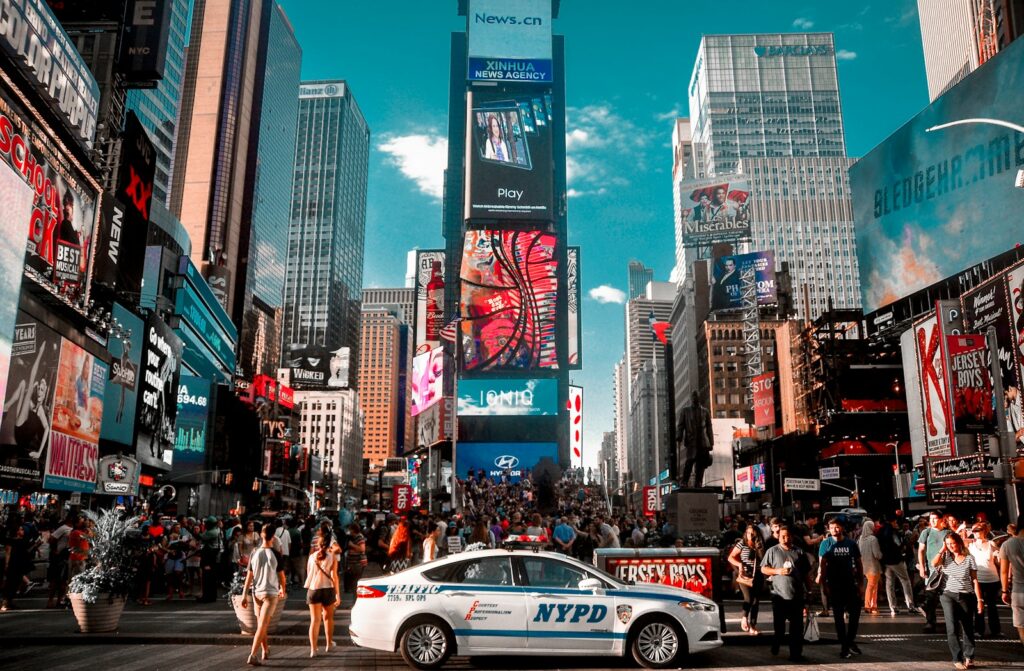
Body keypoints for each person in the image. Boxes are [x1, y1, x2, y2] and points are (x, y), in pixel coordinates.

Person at [761, 526, 812, 662]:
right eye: (783, 536)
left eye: (788, 535)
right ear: (778, 536)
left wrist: (809, 590)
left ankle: (795, 653)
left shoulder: (799, 552)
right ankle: (777, 642)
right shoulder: (772, 551)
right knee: (780, 628)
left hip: (796, 596)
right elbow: (764, 569)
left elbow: (806, 574)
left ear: (792, 536)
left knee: (796, 628)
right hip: (779, 595)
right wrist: (778, 571)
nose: (785, 538)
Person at [934, 531, 984, 669]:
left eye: (953, 543)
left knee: (967, 626)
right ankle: (957, 658)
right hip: (947, 595)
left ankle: (969, 656)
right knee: (952, 627)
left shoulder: (969, 558)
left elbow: (974, 580)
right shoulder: (945, 557)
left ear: (959, 543)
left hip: (966, 595)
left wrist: (980, 599)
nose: (950, 546)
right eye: (948, 544)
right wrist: (942, 549)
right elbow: (934, 563)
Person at [240, 524, 286, 666]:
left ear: (261, 535)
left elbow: (249, 575)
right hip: (270, 593)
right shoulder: (276, 554)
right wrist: (283, 588)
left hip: (256, 592)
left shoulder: (254, 552)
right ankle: (253, 654)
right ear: (273, 537)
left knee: (261, 624)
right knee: (262, 625)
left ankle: (265, 650)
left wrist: (243, 594)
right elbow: (282, 576)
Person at [819, 518, 863, 658]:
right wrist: (824, 585)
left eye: (837, 527)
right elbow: (822, 565)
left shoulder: (851, 543)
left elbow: (859, 563)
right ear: (828, 529)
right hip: (834, 584)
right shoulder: (825, 544)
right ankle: (844, 646)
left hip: (850, 583)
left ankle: (849, 641)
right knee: (838, 617)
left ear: (842, 528)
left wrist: (861, 584)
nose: (834, 530)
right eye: (832, 528)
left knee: (855, 614)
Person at [305, 524, 340, 657]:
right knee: (328, 618)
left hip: (314, 589)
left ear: (318, 545)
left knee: (314, 620)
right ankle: (329, 643)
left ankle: (313, 649)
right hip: (328, 589)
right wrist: (338, 595)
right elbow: (334, 576)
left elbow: (309, 574)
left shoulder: (312, 557)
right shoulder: (332, 556)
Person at [728, 524, 765, 636]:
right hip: (745, 574)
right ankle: (744, 618)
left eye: (752, 533)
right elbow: (731, 557)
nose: (750, 535)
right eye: (748, 533)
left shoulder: (761, 545)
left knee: (756, 601)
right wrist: (739, 565)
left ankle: (753, 626)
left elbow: (764, 560)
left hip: (758, 575)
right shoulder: (742, 543)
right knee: (748, 598)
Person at [918, 511, 952, 632]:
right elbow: (921, 550)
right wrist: (922, 567)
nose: (932, 521)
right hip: (931, 570)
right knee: (930, 597)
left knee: (947, 596)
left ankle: (951, 623)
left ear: (941, 519)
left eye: (935, 518)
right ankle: (930, 622)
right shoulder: (926, 532)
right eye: (930, 519)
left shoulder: (948, 533)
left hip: (947, 569)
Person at [878, 515, 916, 616]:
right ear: (892, 522)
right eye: (895, 522)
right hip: (896, 560)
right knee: (905, 581)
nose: (897, 524)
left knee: (889, 583)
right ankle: (910, 605)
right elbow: (898, 544)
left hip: (886, 561)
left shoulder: (880, 531)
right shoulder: (893, 532)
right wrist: (902, 547)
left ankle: (893, 607)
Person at [969, 522, 1001, 638]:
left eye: (979, 530)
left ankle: (996, 630)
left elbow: (998, 562)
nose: (976, 533)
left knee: (992, 606)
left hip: (992, 578)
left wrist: (998, 555)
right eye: (974, 531)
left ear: (984, 531)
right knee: (978, 605)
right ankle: (979, 630)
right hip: (977, 579)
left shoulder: (991, 543)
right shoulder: (970, 545)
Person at [678, 391, 713, 487]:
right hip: (691, 441)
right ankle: (684, 482)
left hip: (703, 442)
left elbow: (709, 427)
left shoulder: (705, 411)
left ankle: (699, 482)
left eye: (696, 397)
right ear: (691, 398)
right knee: (689, 462)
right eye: (693, 397)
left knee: (701, 465)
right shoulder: (685, 411)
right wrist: (679, 436)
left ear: (699, 398)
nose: (695, 398)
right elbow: (680, 425)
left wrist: (711, 443)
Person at [999, 513, 1024, 648]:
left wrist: (1004, 590)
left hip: (1018, 591)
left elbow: (1003, 571)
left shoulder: (1008, 544)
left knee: (1021, 624)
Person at [858, 520, 882, 614]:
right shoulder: (873, 539)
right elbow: (877, 554)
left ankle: (873, 605)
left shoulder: (861, 538)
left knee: (872, 586)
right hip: (873, 566)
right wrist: (882, 555)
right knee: (872, 586)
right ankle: (868, 606)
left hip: (865, 566)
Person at [342, 523, 367, 598]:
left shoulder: (359, 537)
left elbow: (362, 549)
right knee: (354, 583)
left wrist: (352, 545)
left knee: (355, 583)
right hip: (354, 563)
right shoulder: (354, 537)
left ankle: (355, 602)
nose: (348, 531)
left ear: (353, 530)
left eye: (350, 529)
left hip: (357, 563)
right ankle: (355, 601)